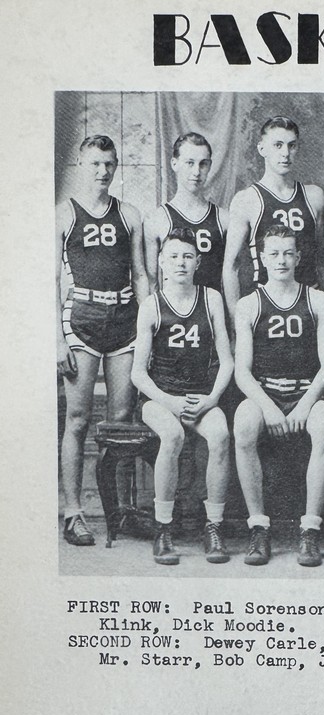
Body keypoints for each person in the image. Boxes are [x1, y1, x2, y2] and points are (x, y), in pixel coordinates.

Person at [56, 134, 149, 546]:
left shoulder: (129, 214)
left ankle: (121, 511)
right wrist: (56, 340)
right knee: (77, 419)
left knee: (123, 420)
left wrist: (148, 327)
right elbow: (46, 280)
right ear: (80, 165)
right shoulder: (64, 215)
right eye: (95, 164)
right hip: (83, 319)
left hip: (124, 318)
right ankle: (73, 511)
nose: (103, 171)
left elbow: (141, 274)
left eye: (109, 164)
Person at [233, 226, 324, 567]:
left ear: (298, 257)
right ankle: (259, 528)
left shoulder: (317, 299)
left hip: (305, 391)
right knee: (244, 423)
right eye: (274, 253)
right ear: (262, 258)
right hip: (267, 393)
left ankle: (310, 531)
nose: (281, 260)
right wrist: (269, 409)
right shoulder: (249, 304)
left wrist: (305, 405)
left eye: (288, 253)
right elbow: (242, 372)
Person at [131, 228, 233, 565]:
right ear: (161, 262)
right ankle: (163, 529)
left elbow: (227, 360)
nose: (180, 262)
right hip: (159, 397)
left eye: (187, 256)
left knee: (219, 435)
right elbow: (137, 374)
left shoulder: (211, 298)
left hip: (201, 396)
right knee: (172, 436)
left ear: (198, 261)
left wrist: (213, 398)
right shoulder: (151, 305)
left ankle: (213, 527)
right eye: (173, 256)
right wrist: (168, 401)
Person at [223, 116, 324, 323]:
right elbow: (231, 266)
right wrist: (238, 321)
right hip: (265, 307)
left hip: (308, 304)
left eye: (291, 145)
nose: (285, 153)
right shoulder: (247, 200)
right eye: (278, 145)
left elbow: (321, 260)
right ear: (262, 149)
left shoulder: (314, 197)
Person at [144, 132, 227, 293]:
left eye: (203, 164)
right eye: (190, 163)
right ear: (174, 164)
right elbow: (151, 281)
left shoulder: (224, 219)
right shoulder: (156, 220)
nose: (196, 172)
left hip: (211, 313)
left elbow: (231, 273)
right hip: (173, 315)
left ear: (209, 166)